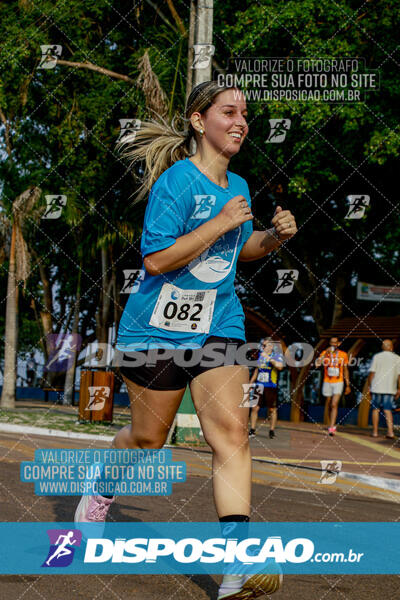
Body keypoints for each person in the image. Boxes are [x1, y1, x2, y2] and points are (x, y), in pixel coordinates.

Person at [74, 80, 297, 599]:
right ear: (199, 121)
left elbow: (240, 249)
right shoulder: (175, 182)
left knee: (232, 437)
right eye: (229, 112)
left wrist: (275, 238)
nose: (241, 121)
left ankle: (235, 567)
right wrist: (220, 221)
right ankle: (99, 492)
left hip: (219, 325)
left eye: (245, 113)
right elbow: (155, 260)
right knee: (148, 439)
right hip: (156, 328)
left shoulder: (238, 186)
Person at [249, 338, 285, 439]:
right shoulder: (260, 355)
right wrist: (251, 382)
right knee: (255, 408)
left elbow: (280, 367)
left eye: (265, 345)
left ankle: (272, 430)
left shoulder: (277, 356)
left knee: (272, 409)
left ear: (271, 346)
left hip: (271, 386)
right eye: (263, 345)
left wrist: (269, 358)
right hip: (259, 385)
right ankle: (252, 430)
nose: (263, 347)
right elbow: (257, 369)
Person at [315, 337, 351, 436]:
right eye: (331, 343)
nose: (333, 344)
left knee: (334, 404)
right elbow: (317, 364)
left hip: (339, 381)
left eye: (335, 343)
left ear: (338, 344)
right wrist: (326, 353)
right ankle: (330, 421)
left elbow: (345, 370)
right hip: (327, 381)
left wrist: (347, 384)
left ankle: (332, 427)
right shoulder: (325, 353)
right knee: (329, 402)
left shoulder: (343, 355)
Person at [367, 339, 400, 439]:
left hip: (377, 387)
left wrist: (369, 386)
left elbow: (372, 373)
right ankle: (390, 432)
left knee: (375, 410)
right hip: (390, 388)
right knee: (388, 410)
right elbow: (399, 375)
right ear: (392, 347)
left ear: (382, 347)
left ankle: (375, 432)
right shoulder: (397, 358)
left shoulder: (377, 357)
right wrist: (399, 388)